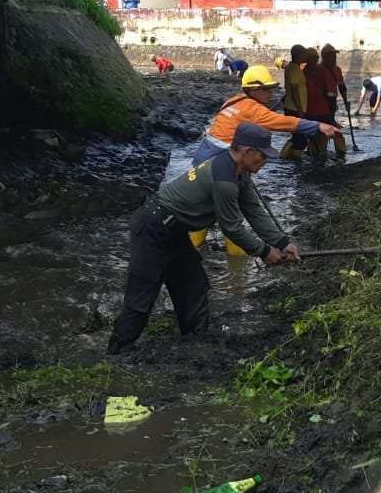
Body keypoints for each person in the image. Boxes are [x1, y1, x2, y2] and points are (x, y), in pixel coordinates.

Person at [107, 123, 300, 354]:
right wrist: (264, 252)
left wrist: (282, 242)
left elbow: (253, 210)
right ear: (247, 151)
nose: (265, 161)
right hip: (153, 229)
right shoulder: (224, 179)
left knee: (193, 286)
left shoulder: (239, 172)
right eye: (263, 155)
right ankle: (117, 353)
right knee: (141, 297)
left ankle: (196, 343)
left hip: (175, 231)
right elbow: (232, 228)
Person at [190, 65, 340, 169]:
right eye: (267, 89)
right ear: (254, 90)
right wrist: (318, 126)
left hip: (202, 156)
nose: (271, 94)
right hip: (218, 162)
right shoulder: (253, 110)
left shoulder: (233, 101)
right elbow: (283, 122)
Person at [315, 45, 350, 162]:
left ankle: (340, 153)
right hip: (320, 102)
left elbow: (341, 86)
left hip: (332, 102)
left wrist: (346, 101)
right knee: (324, 127)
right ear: (324, 57)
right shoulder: (318, 69)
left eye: (334, 55)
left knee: (331, 125)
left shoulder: (337, 70)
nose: (334, 58)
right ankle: (320, 151)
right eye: (331, 56)